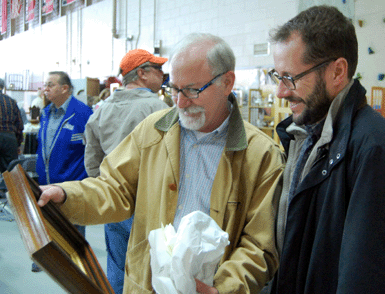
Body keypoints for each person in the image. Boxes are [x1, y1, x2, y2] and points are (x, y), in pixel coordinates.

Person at [37, 33, 285, 293]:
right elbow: (114, 187)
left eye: (192, 90)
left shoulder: (261, 155)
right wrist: (66, 194)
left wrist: (224, 288)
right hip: (147, 285)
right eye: (175, 89)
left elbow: (259, 245)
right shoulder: (152, 132)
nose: (180, 102)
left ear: (227, 82)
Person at [267, 5, 385, 294]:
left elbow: (364, 276)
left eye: (291, 77)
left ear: (337, 72)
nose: (280, 92)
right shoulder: (303, 137)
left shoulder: (373, 148)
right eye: (277, 76)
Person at [84, 49, 169, 294]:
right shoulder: (158, 109)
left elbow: (92, 161)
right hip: (149, 204)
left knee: (117, 267)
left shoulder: (102, 109)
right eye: (158, 69)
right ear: (141, 73)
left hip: (114, 203)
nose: (163, 75)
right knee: (151, 270)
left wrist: (108, 190)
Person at [36, 71, 92, 243]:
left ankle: (76, 267)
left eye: (50, 85)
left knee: (73, 236)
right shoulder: (46, 113)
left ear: (65, 88)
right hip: (46, 183)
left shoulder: (83, 114)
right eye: (45, 85)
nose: (45, 89)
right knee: (49, 226)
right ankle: (47, 259)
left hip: (71, 186)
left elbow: (93, 150)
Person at [0, 78, 24, 173]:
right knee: (11, 171)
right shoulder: (11, 101)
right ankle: (9, 188)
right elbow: (19, 124)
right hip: (9, 138)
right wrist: (18, 143)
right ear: (3, 87)